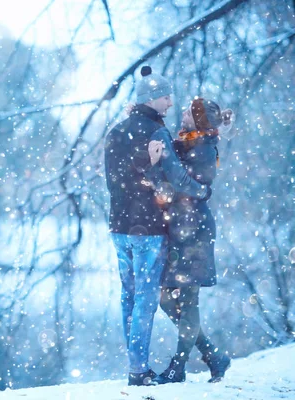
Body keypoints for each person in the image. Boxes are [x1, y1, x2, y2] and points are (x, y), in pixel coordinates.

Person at [104, 66, 211, 386]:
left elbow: (113, 181)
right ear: (152, 99)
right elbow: (177, 176)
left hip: (118, 226)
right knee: (145, 301)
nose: (169, 103)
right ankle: (138, 372)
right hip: (149, 228)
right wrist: (201, 190)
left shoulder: (115, 131)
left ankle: (136, 365)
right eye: (166, 97)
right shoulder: (156, 133)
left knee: (129, 297)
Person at [150, 98, 233, 384]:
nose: (184, 113)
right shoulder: (187, 142)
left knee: (188, 300)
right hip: (178, 229)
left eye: (189, 111)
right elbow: (172, 178)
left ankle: (179, 366)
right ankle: (213, 355)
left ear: (199, 120)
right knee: (164, 298)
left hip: (195, 231)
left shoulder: (206, 149)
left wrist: (163, 145)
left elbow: (182, 180)